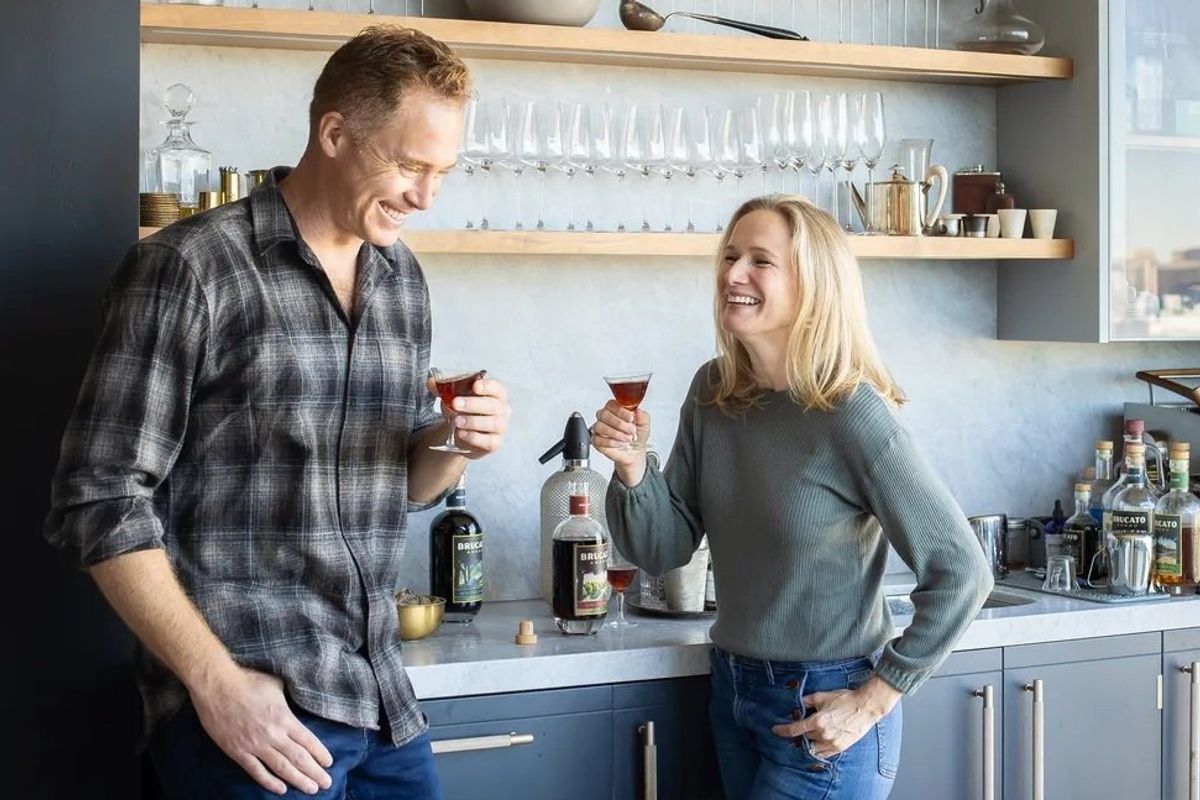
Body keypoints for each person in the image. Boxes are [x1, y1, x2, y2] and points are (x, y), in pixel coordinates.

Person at [43, 26, 510, 799]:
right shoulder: (190, 268)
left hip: (380, 704)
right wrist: (215, 685)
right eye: (409, 164)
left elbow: (401, 485)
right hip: (251, 717)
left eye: (443, 172)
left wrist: (455, 442)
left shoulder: (402, 280)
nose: (427, 196)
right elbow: (98, 497)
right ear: (334, 133)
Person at [593, 195, 992, 799]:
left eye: (760, 261)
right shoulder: (714, 392)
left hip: (823, 710)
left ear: (814, 284)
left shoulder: (852, 413)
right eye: (730, 257)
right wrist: (630, 469)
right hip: (731, 691)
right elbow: (664, 547)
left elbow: (964, 572)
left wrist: (875, 699)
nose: (732, 275)